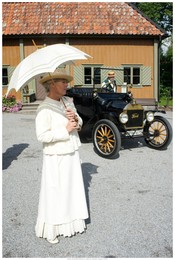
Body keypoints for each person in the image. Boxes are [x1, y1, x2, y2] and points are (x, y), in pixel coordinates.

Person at [35, 69, 89, 244]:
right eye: (63, 82)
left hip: (71, 152)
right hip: (55, 155)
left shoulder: (68, 102)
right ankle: (52, 229)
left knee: (71, 189)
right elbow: (42, 136)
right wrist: (64, 130)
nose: (67, 85)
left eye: (66, 82)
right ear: (52, 85)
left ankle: (71, 224)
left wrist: (75, 119)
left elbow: (79, 122)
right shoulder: (44, 108)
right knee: (54, 191)